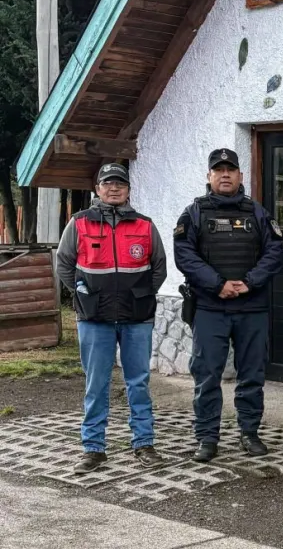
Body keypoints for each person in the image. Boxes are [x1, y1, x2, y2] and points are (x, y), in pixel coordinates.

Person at [56, 163, 167, 474]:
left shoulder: (145, 225)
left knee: (139, 383)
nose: (114, 188)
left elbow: (159, 268)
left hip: (137, 318)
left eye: (120, 183)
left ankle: (144, 443)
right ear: (97, 189)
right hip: (94, 319)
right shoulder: (79, 224)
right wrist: (83, 296)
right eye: (107, 183)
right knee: (96, 384)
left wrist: (141, 295)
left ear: (128, 189)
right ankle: (93, 448)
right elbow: (64, 264)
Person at [173, 148, 283, 462]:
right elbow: (185, 255)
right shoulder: (193, 213)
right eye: (218, 170)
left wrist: (249, 281)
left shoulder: (258, 213)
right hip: (209, 308)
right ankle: (207, 438)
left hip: (252, 309)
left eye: (230, 170)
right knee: (207, 376)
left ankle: (249, 433)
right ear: (209, 176)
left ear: (240, 176)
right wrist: (217, 284)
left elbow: (274, 252)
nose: (225, 175)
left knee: (252, 374)